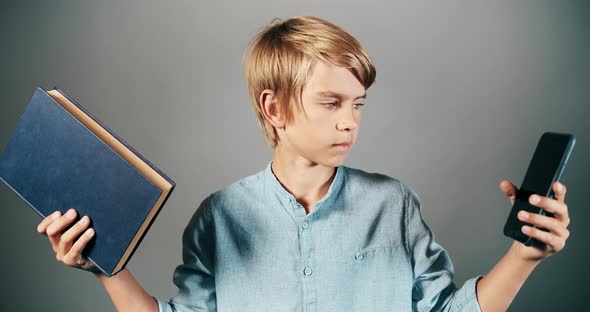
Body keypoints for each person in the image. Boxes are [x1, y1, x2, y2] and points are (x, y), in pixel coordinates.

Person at [36, 16, 571, 312]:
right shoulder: (219, 217)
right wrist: (107, 265)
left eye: (358, 105)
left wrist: (525, 255)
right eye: (331, 103)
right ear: (275, 107)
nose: (350, 123)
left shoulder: (394, 204)